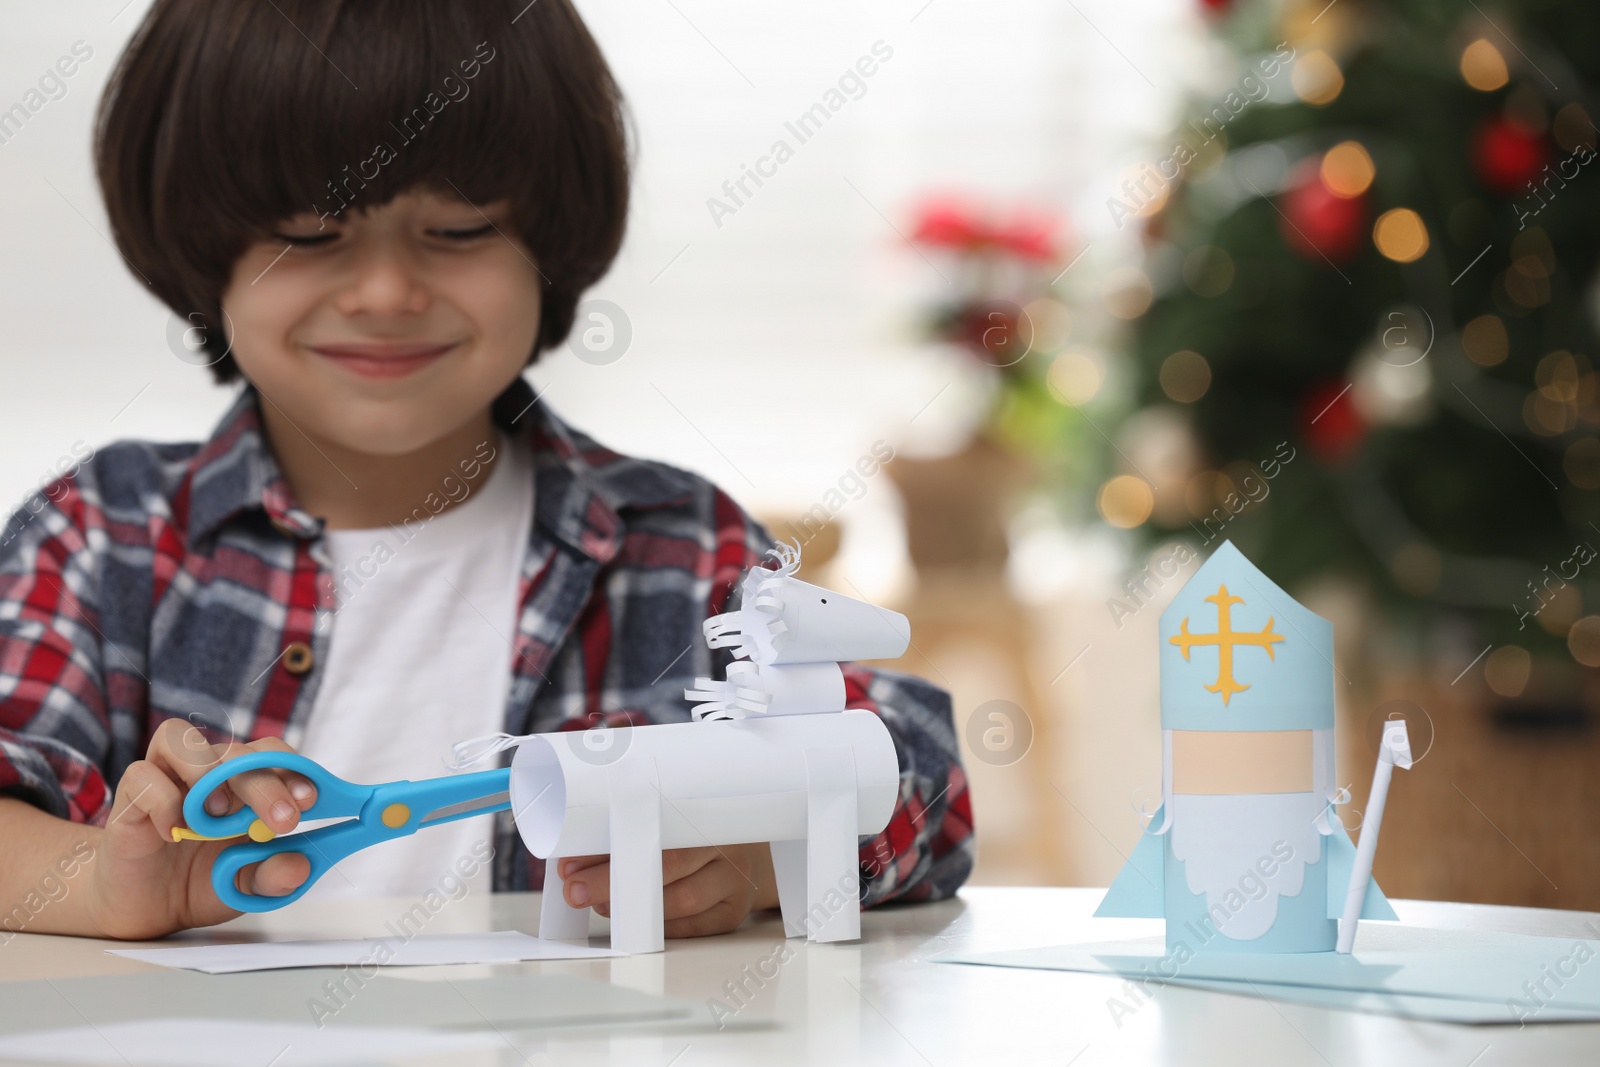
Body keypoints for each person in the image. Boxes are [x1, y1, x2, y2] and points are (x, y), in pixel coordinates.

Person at [0, 0, 972, 942]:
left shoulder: (676, 541)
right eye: (308, 232)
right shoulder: (104, 532)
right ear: (208, 250)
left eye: (459, 230)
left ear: (546, 245)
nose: (386, 292)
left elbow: (920, 772)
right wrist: (104, 881)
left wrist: (762, 855)